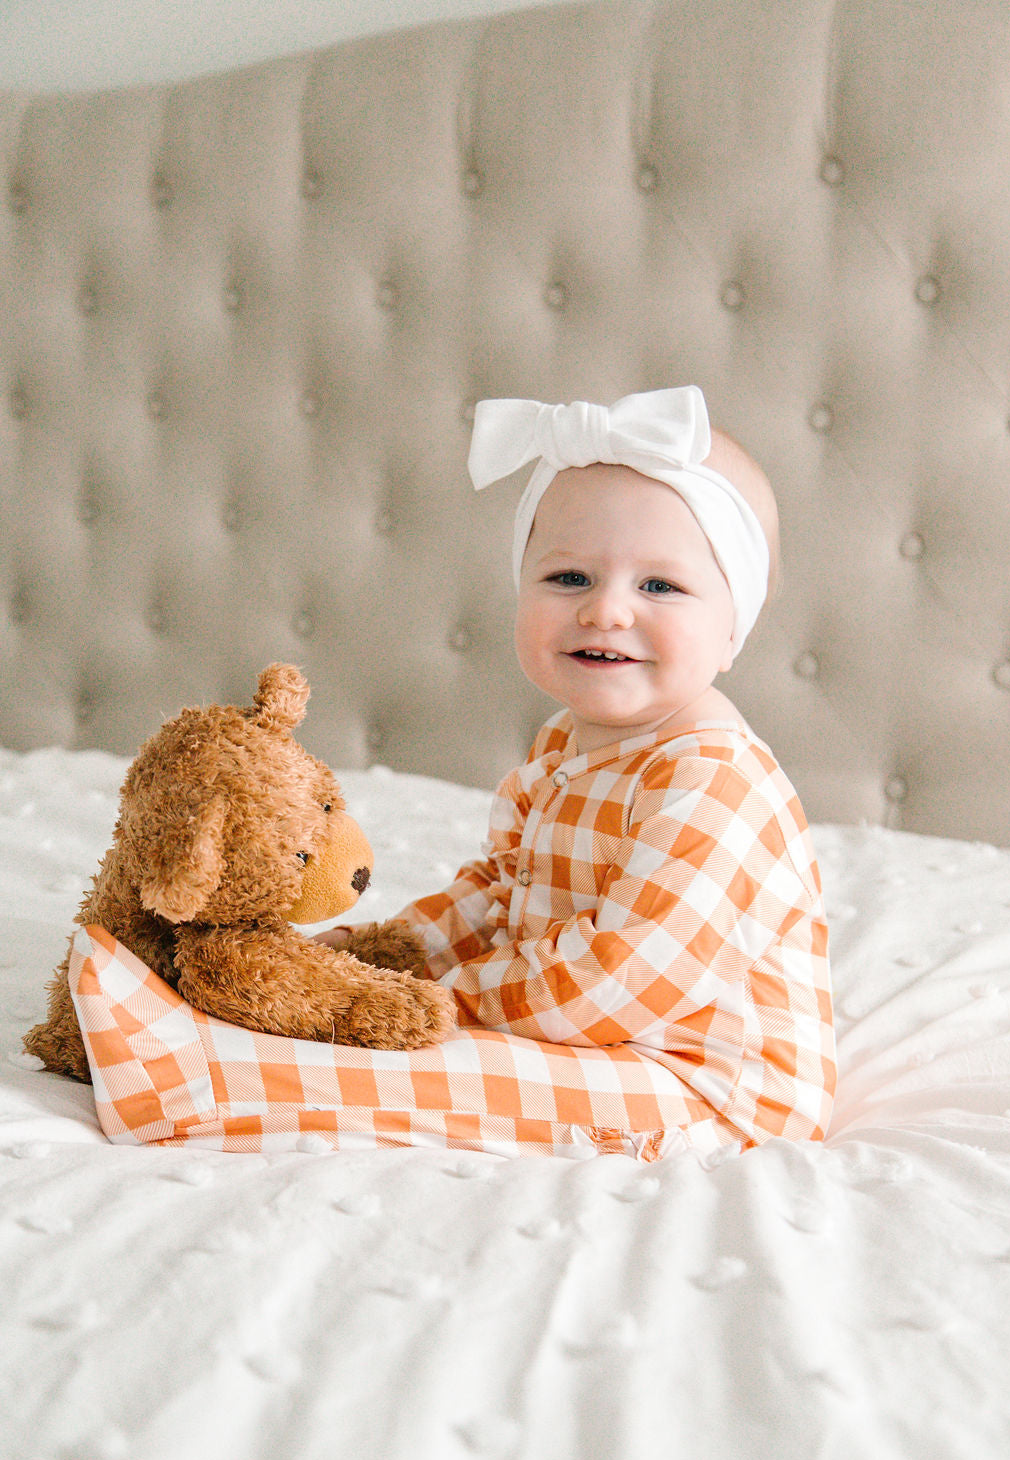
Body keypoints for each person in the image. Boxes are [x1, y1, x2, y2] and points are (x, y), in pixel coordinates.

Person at [322, 385, 835, 1161]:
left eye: (659, 585)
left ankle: (195, 1076)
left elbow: (618, 982)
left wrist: (442, 1000)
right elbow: (495, 893)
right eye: (569, 579)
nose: (606, 612)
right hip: (589, 1033)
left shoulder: (714, 781)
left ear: (734, 627)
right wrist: (364, 956)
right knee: (381, 1028)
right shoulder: (565, 743)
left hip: (710, 1087)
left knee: (433, 1079)